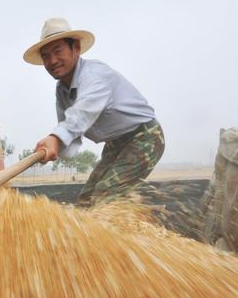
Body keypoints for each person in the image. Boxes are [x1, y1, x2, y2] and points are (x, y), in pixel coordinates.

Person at [24, 18, 165, 206]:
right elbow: (68, 130)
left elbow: (82, 115)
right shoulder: (61, 90)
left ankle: (124, 232)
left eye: (58, 52)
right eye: (46, 56)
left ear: (76, 48)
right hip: (115, 144)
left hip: (144, 137)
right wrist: (53, 150)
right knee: (86, 202)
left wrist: (55, 139)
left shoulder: (94, 76)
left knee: (105, 197)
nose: (52, 61)